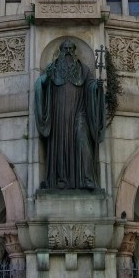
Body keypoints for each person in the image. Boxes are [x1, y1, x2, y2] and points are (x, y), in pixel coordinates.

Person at [34, 40, 105, 191]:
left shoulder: (83, 69)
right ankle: (60, 180)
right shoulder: (53, 68)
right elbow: (41, 83)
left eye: (70, 48)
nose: (67, 51)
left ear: (74, 51)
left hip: (80, 113)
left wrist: (96, 88)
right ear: (60, 51)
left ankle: (87, 179)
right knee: (60, 147)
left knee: (83, 141)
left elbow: (90, 85)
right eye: (64, 49)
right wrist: (45, 79)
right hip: (58, 115)